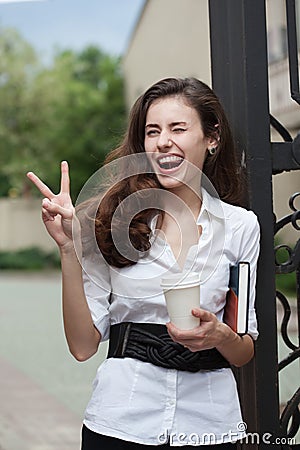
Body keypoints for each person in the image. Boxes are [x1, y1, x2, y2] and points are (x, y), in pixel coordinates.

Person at [27, 77, 260, 449]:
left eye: (178, 128)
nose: (163, 140)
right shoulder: (115, 221)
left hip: (210, 426)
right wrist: (69, 250)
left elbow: (244, 348)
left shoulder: (240, 227)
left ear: (212, 137)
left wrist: (218, 335)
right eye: (152, 131)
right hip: (120, 423)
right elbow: (83, 346)